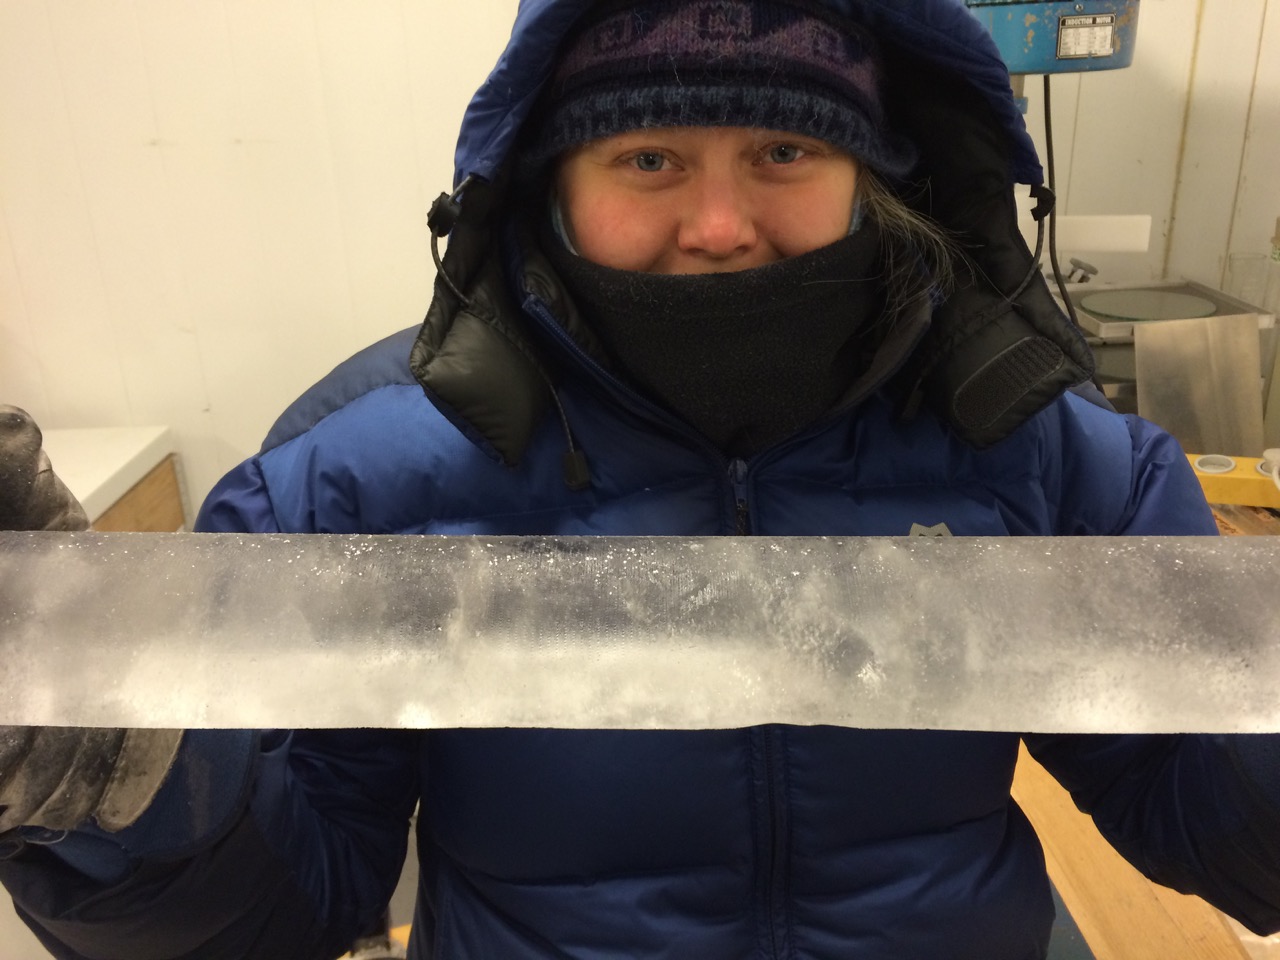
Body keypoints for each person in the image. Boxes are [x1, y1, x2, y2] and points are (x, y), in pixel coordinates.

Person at [2, 0, 1279, 957]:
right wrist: (120, 780)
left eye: (783, 150)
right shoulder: (354, 486)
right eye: (649, 159)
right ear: (548, 181)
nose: (718, 227)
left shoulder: (1038, 453)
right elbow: (280, 910)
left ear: (872, 173)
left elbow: (1211, 816)